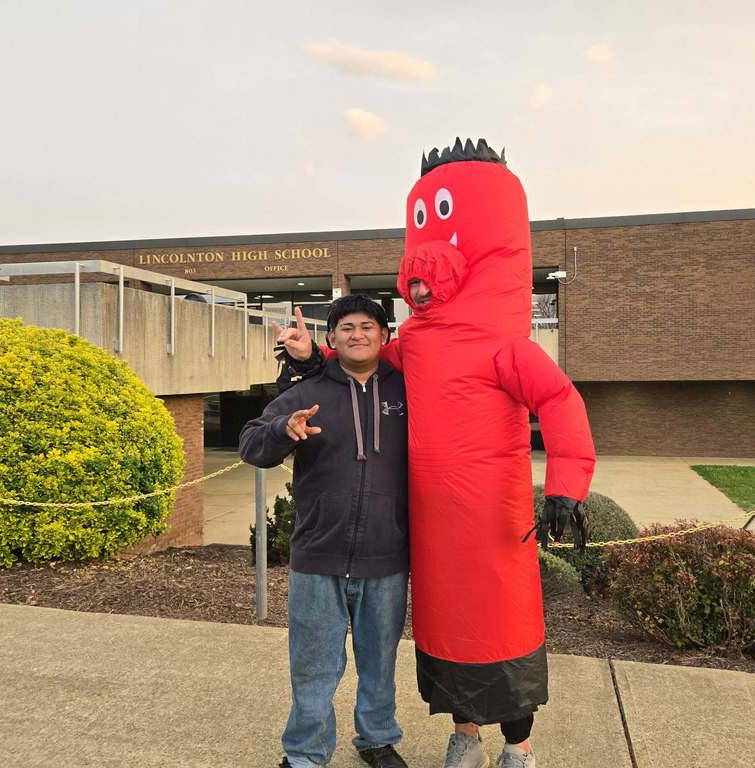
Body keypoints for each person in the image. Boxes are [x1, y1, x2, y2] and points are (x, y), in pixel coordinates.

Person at [275, 138, 596, 768]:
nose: (422, 270)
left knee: (501, 619)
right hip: (429, 527)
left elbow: (559, 401)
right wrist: (312, 357)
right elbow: (361, 359)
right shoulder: (414, 344)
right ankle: (465, 733)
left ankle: (519, 745)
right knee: (448, 624)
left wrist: (565, 487)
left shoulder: (504, 345)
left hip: (495, 519)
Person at [239, 296, 410, 768]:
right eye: (346, 328)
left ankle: (377, 739)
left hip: (387, 556)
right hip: (318, 554)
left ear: (384, 336)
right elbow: (251, 443)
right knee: (313, 667)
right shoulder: (308, 390)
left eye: (367, 326)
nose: (358, 334)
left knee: (380, 662)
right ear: (332, 340)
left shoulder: (408, 391)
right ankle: (305, 754)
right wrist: (282, 429)